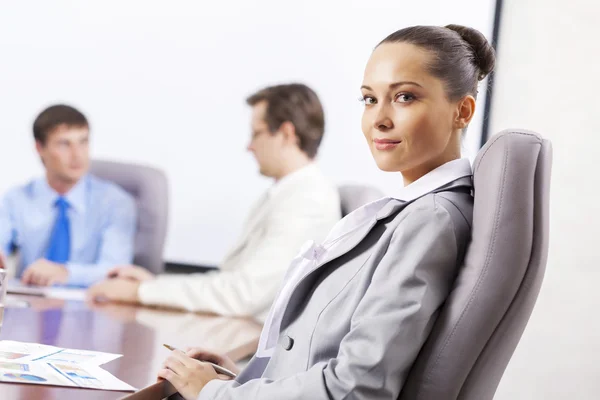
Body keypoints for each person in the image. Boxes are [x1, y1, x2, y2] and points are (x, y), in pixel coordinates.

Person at [155, 24, 495, 400]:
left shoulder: (430, 219)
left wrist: (216, 395)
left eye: (404, 97)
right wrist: (235, 380)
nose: (379, 119)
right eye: (369, 99)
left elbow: (356, 388)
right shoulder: (415, 212)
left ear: (462, 111)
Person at [88, 83, 342, 321]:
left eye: (257, 133)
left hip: (252, 346)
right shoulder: (286, 193)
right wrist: (152, 284)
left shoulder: (307, 200)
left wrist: (140, 292)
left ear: (286, 133)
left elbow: (243, 295)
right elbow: (231, 280)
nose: (250, 146)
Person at [0, 104, 137, 287]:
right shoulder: (16, 199)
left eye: (83, 142)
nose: (77, 155)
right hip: (31, 304)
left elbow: (115, 270)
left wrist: (65, 272)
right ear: (40, 148)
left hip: (92, 305)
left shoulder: (116, 203)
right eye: (64, 144)